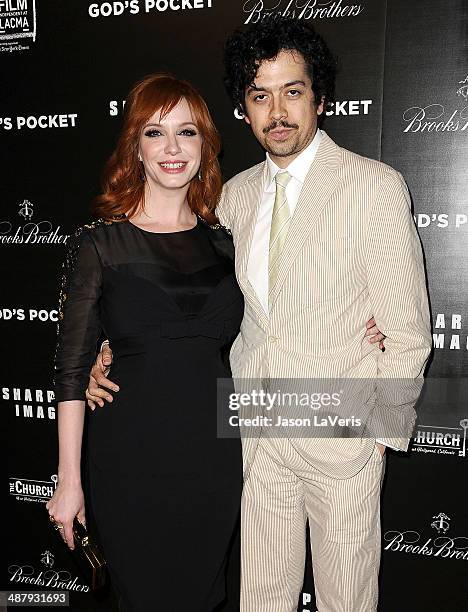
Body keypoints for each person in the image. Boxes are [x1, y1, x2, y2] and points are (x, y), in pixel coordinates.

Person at [85, 23, 401, 611]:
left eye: (293, 91)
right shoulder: (232, 197)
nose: (277, 110)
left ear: (320, 97)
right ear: (244, 109)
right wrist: (102, 351)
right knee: (259, 600)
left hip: (341, 440)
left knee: (345, 601)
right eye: (261, 95)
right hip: (254, 440)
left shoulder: (374, 186)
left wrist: (374, 439)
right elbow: (183, 298)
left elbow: (405, 332)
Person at [46, 73, 245, 612]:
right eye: (155, 133)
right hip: (130, 458)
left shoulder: (226, 242)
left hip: (215, 458)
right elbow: (70, 370)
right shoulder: (100, 244)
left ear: (205, 144)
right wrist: (69, 483)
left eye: (187, 132)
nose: (173, 148)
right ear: (135, 146)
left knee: (204, 596)